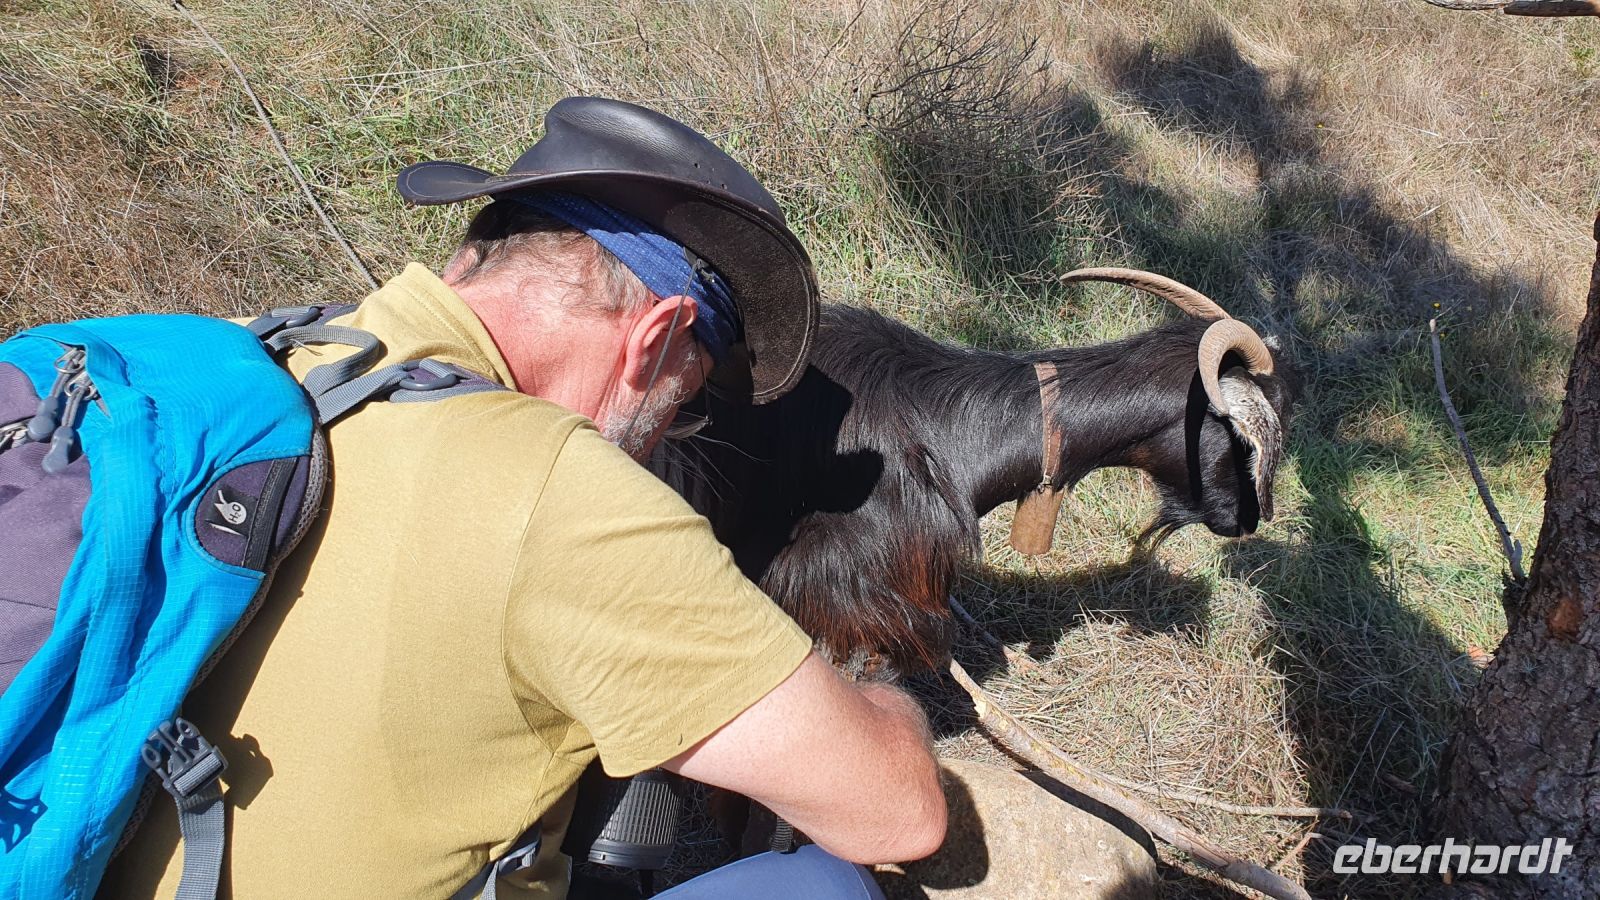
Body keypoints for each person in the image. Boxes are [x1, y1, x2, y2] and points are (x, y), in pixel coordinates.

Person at [102, 97, 945, 899]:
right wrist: (881, 701)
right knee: (822, 885)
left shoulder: (265, 358)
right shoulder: (569, 498)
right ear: (652, 343)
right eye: (683, 405)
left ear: (472, 257)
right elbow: (899, 815)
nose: (665, 435)